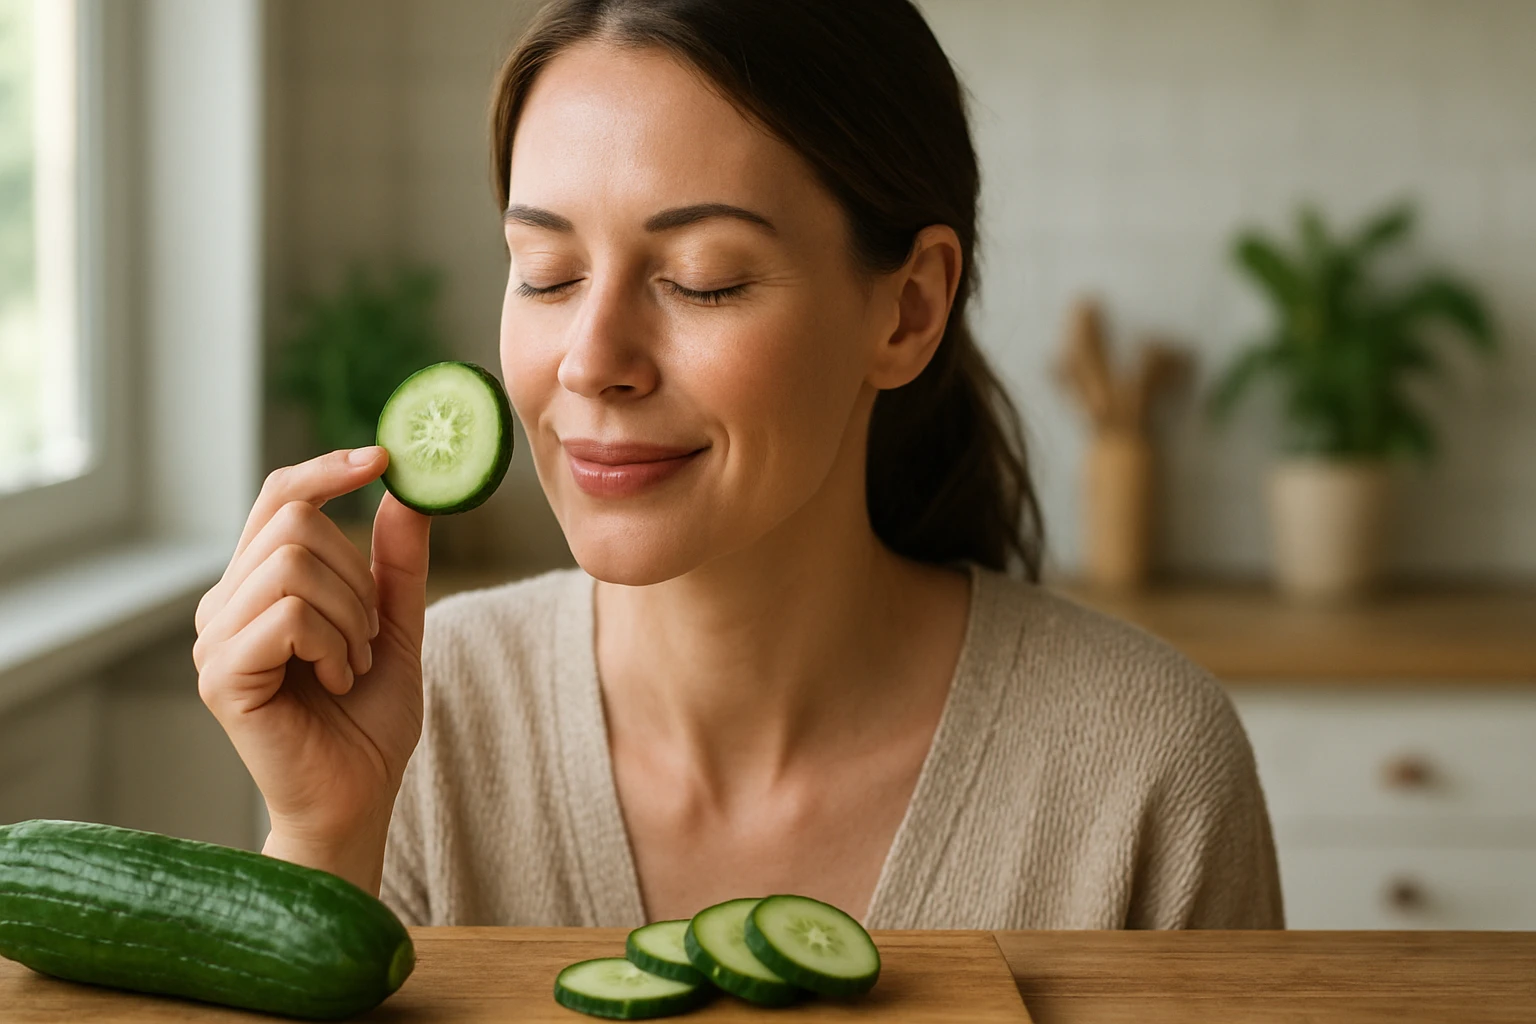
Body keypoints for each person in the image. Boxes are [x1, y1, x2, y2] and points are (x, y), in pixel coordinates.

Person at [193, 0, 1282, 930]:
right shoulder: (431, 716)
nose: (591, 361)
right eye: (547, 270)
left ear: (907, 310)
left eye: (704, 279)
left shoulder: (1148, 766)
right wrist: (325, 835)